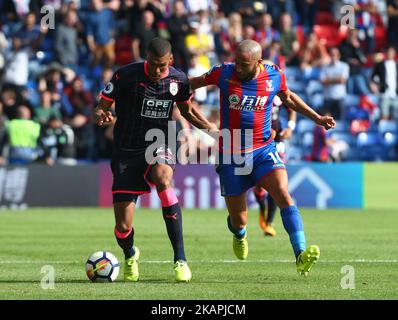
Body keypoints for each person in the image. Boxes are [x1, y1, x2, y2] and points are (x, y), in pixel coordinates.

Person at [190, 40, 335, 275]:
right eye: (236, 61)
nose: (238, 67)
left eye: (243, 64)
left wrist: (317, 118)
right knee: (239, 221)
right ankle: (239, 234)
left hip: (263, 150)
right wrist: (201, 122)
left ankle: (300, 254)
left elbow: (288, 98)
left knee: (284, 196)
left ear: (258, 63)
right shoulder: (223, 72)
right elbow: (190, 85)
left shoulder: (274, 75)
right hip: (232, 155)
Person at [93, 37, 217, 282]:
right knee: (123, 227)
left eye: (161, 66)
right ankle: (130, 254)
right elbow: (101, 107)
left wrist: (211, 130)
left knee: (163, 178)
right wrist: (101, 115)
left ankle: (180, 259)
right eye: (152, 64)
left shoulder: (178, 80)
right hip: (126, 151)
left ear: (169, 60)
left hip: (159, 142)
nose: (156, 70)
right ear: (145, 58)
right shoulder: (125, 76)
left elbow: (187, 111)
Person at [254, 94, 297, 237]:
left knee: (276, 182)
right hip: (257, 141)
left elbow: (292, 107)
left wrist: (290, 128)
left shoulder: (278, 91)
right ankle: (262, 207)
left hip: (277, 142)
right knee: (258, 183)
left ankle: (269, 222)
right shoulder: (255, 90)